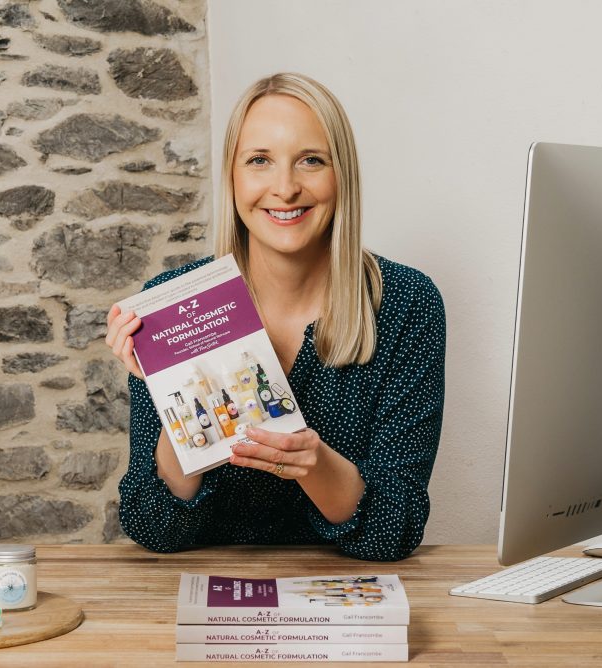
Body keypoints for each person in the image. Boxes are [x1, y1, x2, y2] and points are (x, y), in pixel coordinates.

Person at [106, 73, 445, 561]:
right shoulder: (170, 305)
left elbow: (396, 529)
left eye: (311, 160)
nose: (284, 188)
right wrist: (175, 392)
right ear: (233, 177)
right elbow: (154, 528)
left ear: (341, 174)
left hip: (347, 606)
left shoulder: (406, 304)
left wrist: (312, 463)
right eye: (259, 161)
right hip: (206, 596)